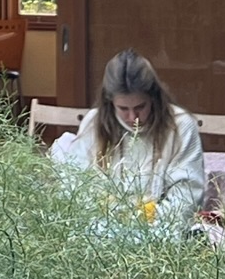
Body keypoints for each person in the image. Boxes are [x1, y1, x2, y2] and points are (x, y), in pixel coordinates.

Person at [51, 49, 206, 227]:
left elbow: (186, 197)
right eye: (123, 109)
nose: (133, 117)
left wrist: (140, 225)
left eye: (140, 107)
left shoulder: (181, 126)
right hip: (101, 228)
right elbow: (75, 185)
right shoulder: (93, 123)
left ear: (153, 98)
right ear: (110, 102)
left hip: (160, 231)